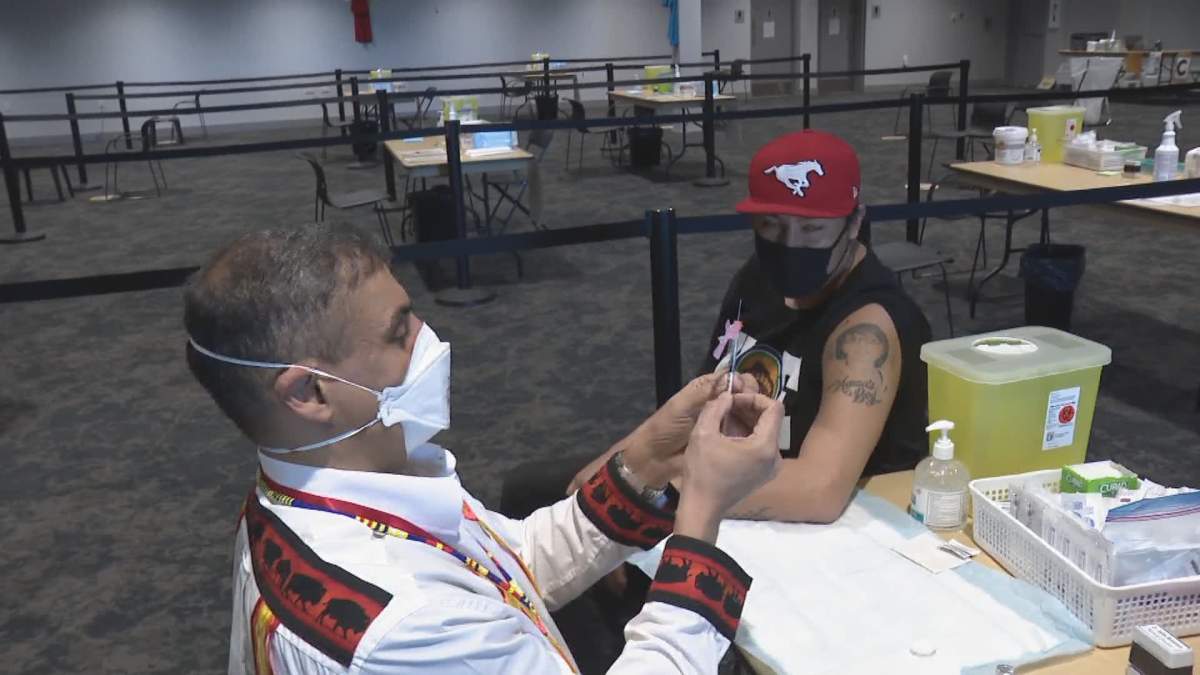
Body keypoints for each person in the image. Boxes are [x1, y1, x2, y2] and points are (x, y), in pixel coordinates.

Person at [183, 224, 784, 675]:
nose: (428, 339)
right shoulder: (406, 627)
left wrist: (651, 457)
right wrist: (700, 518)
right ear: (309, 391)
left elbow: (506, 565)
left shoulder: (316, 492)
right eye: (399, 332)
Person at [558, 129, 931, 524]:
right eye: (771, 225)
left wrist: (651, 491)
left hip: (827, 530)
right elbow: (703, 403)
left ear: (854, 223)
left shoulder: (866, 330)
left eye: (812, 230)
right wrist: (618, 468)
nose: (790, 245)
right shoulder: (760, 279)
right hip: (729, 483)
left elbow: (818, 490)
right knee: (543, 495)